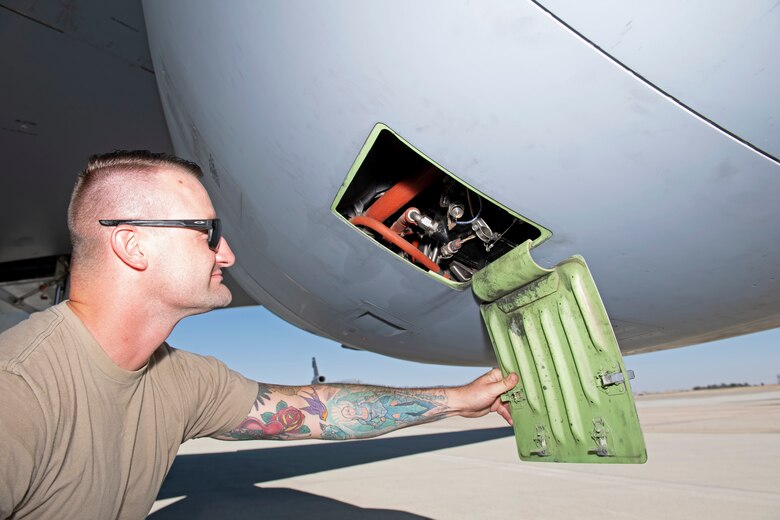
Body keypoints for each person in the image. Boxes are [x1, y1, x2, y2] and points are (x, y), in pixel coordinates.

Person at [0, 150, 518, 519]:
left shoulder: (179, 379)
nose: (225, 255)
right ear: (134, 246)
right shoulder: (18, 392)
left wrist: (457, 399)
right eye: (207, 234)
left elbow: (321, 412)